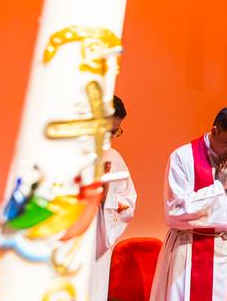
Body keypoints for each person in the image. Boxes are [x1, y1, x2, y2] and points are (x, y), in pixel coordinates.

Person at [149, 107, 227, 301]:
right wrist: (218, 187)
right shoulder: (182, 157)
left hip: (224, 251)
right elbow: (176, 211)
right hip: (187, 250)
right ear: (215, 131)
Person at [91, 95, 137, 300]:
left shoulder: (113, 158)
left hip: (96, 246)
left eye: (115, 132)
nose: (110, 138)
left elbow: (129, 203)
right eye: (107, 131)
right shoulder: (67, 153)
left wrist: (106, 197)